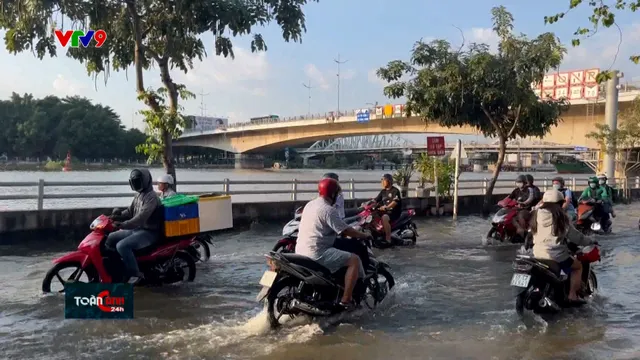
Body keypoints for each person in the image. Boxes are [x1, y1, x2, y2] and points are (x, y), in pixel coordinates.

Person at [295, 178, 372, 310]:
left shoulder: (310, 205)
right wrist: (364, 235)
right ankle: (346, 301)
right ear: (333, 194)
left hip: (300, 250)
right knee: (354, 260)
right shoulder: (328, 210)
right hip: (317, 252)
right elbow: (345, 230)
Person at [530, 189, 597, 304]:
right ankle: (572, 296)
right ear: (560, 203)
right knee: (578, 266)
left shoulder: (536, 214)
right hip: (555, 254)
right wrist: (590, 241)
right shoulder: (560, 217)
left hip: (536, 252)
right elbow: (576, 236)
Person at [108, 169, 162, 284]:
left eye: (138, 181)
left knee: (122, 246)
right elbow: (130, 211)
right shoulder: (139, 194)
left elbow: (141, 218)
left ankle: (135, 274)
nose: (136, 184)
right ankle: (118, 269)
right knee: (110, 238)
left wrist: (123, 225)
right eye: (134, 182)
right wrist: (115, 216)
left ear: (145, 181)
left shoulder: (151, 197)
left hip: (149, 232)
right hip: (137, 230)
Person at [373, 174, 402, 244]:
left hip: (393, 212)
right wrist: (366, 204)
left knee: (384, 217)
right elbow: (375, 200)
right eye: (381, 180)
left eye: (384, 180)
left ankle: (388, 238)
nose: (382, 182)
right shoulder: (383, 191)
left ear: (389, 181)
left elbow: (395, 202)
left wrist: (387, 207)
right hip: (385, 211)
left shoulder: (395, 191)